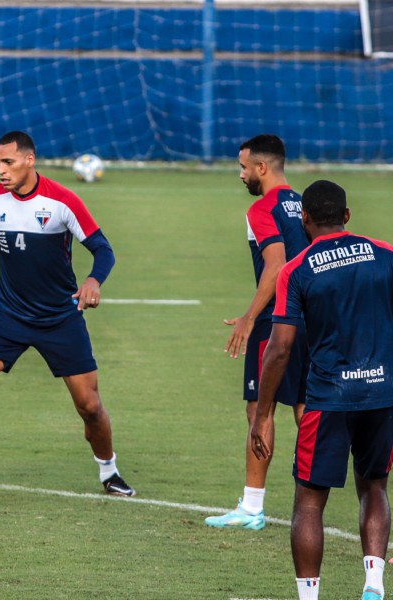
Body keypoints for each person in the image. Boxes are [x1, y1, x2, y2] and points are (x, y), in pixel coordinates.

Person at [0, 130, 134, 497]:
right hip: (10, 313)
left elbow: (103, 250)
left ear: (29, 160)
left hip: (59, 318)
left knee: (90, 406)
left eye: (9, 162)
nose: (1, 170)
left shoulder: (62, 202)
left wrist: (94, 281)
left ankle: (109, 472)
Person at [251, 180, 393, 600]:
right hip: (383, 395)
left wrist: (263, 415)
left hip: (328, 400)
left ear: (304, 219)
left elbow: (279, 349)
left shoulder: (297, 269)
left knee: (310, 503)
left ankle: (310, 597)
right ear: (347, 216)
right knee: (374, 487)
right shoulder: (385, 255)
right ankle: (373, 585)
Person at [205, 134, 310, 530]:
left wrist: (250, 317)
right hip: (314, 321)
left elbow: (276, 265)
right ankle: (327, 496)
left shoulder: (262, 208)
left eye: (244, 167)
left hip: (277, 321)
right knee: (308, 409)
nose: (242, 174)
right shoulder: (305, 204)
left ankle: (252, 507)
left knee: (259, 408)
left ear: (262, 168)